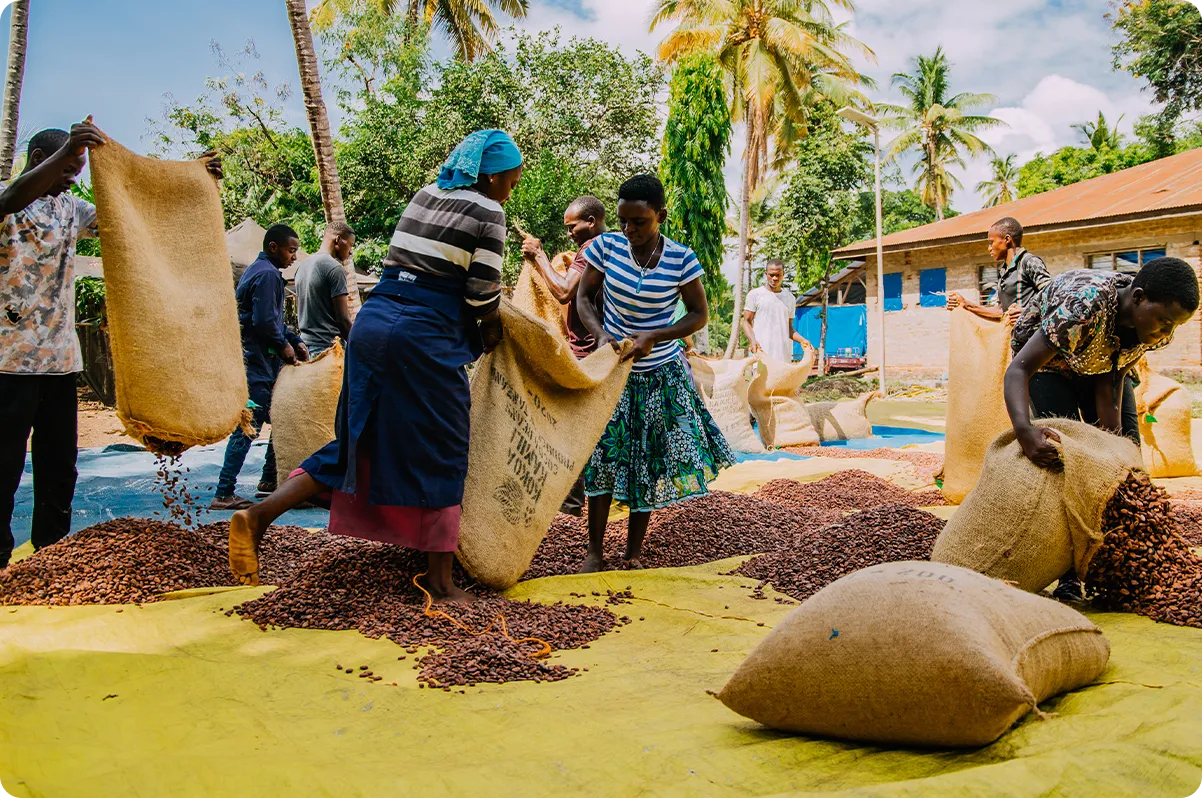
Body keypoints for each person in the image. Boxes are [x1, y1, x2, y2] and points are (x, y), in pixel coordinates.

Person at [226, 129, 521, 604]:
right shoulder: (489, 211)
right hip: (423, 335)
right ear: (491, 176)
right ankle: (440, 582)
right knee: (445, 446)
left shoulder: (426, 194)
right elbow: (481, 292)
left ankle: (258, 517)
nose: (510, 190)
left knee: (358, 441)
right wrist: (491, 334)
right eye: (511, 180)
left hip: (375, 324)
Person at [0, 121, 218, 568]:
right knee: (4, 464)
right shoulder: (10, 200)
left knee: (59, 465)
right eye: (68, 168)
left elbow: (135, 209)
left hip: (61, 360)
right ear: (40, 158)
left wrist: (192, 177)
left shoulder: (70, 208)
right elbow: (9, 199)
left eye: (76, 170)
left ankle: (50, 553)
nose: (72, 178)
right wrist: (66, 152)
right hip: (10, 361)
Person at [1004, 257, 1199, 600]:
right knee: (1063, 460)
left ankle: (1124, 564)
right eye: (1165, 322)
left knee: (1126, 457)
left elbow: (1112, 376)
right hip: (1050, 363)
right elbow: (1019, 370)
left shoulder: (1150, 328)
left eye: (1175, 326)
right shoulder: (1082, 308)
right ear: (1138, 298)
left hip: (1099, 364)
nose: (1167, 334)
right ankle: (1067, 574)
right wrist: (1024, 431)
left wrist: (1113, 448)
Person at [575, 173, 735, 573]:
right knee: (604, 456)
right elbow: (583, 298)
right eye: (623, 221)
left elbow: (698, 315)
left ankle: (632, 553)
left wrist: (655, 335)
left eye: (639, 222)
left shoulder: (681, 259)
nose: (629, 230)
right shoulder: (607, 247)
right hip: (614, 373)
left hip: (659, 373)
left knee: (647, 462)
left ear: (660, 216)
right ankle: (594, 552)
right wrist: (600, 336)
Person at [210, 224, 310, 510]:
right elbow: (264, 322)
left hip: (261, 362)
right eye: (291, 250)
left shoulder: (263, 271)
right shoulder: (266, 275)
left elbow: (272, 320)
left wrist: (293, 339)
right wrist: (284, 346)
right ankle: (224, 493)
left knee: (280, 420)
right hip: (256, 363)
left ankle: (270, 481)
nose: (294, 257)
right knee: (249, 426)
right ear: (273, 247)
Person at [521, 196, 607, 516]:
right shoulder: (614, 247)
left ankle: (569, 509)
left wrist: (539, 256)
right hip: (600, 351)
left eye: (573, 227)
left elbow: (563, 291)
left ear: (591, 222)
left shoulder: (592, 248)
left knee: (570, 428)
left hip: (588, 353)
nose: (569, 233)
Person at [947, 217, 1050, 323]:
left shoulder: (1029, 262)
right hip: (1012, 333)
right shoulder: (1003, 271)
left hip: (1033, 332)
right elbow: (1000, 312)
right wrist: (965, 304)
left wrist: (1029, 313)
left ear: (1007, 240)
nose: (989, 248)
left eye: (991, 242)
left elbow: (1054, 296)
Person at [295, 221, 356, 356]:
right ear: (338, 240)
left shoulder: (302, 266)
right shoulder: (335, 268)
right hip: (328, 349)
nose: (351, 252)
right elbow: (342, 319)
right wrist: (359, 345)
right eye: (350, 245)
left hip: (305, 348)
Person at [742, 259, 805, 362]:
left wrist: (803, 340)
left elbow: (788, 328)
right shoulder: (755, 295)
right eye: (771, 275)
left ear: (783, 274)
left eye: (778, 275)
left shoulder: (790, 298)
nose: (775, 278)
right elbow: (746, 321)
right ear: (766, 274)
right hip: (761, 355)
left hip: (783, 359)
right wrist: (753, 340)